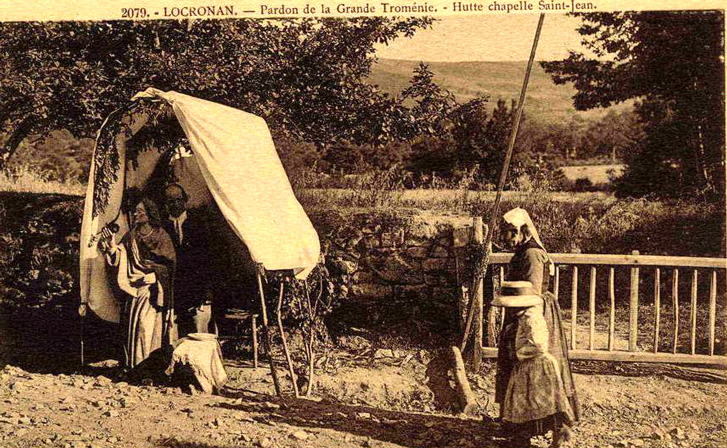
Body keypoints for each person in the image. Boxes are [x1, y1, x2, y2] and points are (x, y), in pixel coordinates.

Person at [495, 207, 580, 447]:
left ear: (522, 231)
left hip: (533, 313)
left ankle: (554, 428)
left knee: (538, 373)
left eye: (511, 234)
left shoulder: (532, 254)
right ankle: (522, 425)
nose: (508, 239)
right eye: (505, 234)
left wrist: (521, 318)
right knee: (522, 373)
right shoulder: (522, 251)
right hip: (520, 309)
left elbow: (531, 291)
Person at [99, 196, 177, 371]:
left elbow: (170, 265)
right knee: (131, 327)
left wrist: (156, 275)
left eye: (140, 211)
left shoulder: (161, 235)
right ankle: (132, 366)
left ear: (150, 214)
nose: (136, 214)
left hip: (153, 291)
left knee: (144, 326)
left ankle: (148, 366)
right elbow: (121, 255)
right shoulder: (131, 235)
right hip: (134, 288)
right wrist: (112, 248)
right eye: (136, 211)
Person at [162, 183, 216, 337]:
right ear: (166, 204)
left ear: (185, 200)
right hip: (174, 291)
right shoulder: (162, 228)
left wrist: (206, 292)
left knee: (199, 334)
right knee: (175, 335)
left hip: (197, 290)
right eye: (170, 201)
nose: (175, 204)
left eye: (179, 199)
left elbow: (208, 259)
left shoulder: (199, 223)